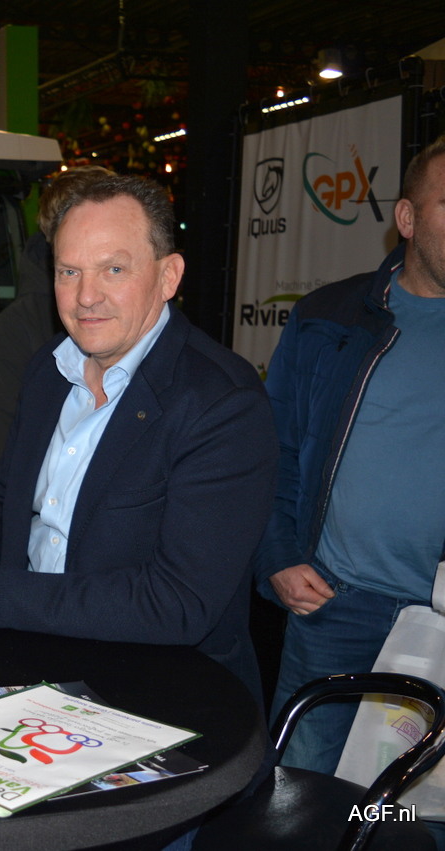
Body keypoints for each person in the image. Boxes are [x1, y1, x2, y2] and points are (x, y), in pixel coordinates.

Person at [0, 175, 277, 695]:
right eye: (69, 272)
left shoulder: (222, 402)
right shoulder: (48, 371)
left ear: (168, 276)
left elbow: (178, 604)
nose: (86, 296)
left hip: (160, 692)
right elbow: (6, 505)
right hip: (28, 663)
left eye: (113, 269)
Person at [254, 135, 445, 774]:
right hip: (336, 606)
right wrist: (279, 558)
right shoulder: (329, 317)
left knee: (421, 805)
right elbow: (273, 451)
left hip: (441, 618)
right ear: (407, 218)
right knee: (301, 791)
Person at [0, 166, 113, 454]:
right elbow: (15, 449)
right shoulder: (18, 326)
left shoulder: (134, 303)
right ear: (53, 235)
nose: (88, 297)